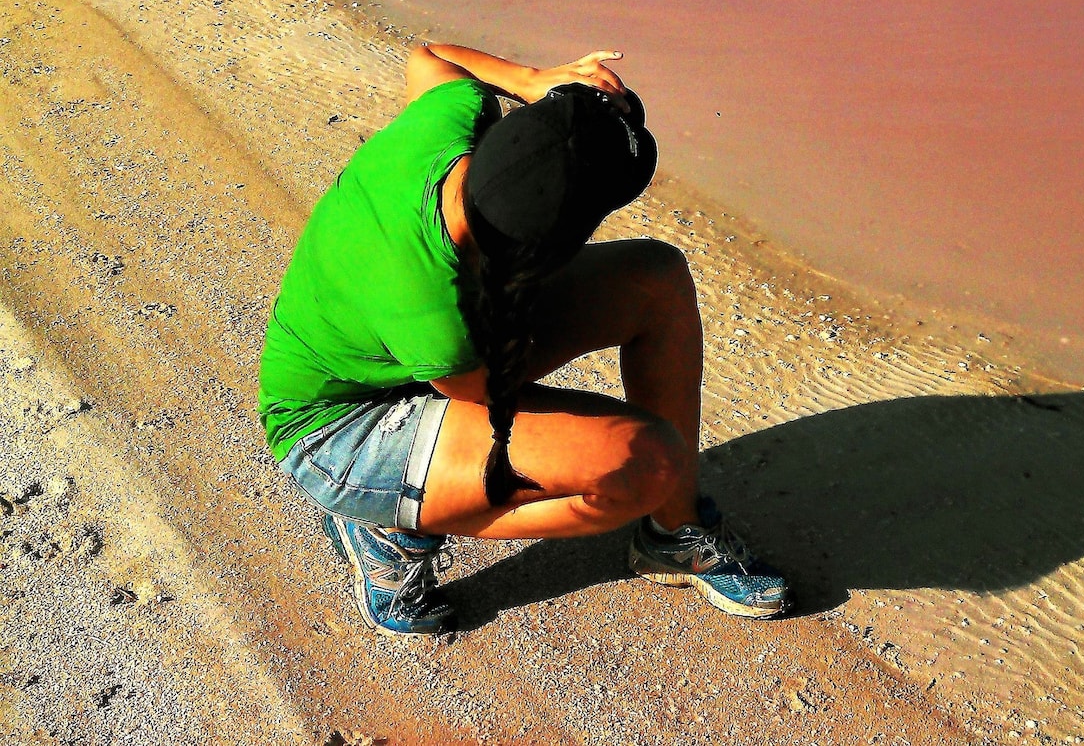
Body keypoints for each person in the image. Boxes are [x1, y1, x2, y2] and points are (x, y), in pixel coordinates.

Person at [258, 39, 789, 633]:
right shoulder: (427, 302)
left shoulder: (452, 117)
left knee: (656, 279)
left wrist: (534, 80)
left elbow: (427, 56)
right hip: (341, 427)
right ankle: (392, 527)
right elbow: (474, 391)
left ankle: (674, 532)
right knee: (643, 462)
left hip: (438, 343)